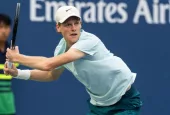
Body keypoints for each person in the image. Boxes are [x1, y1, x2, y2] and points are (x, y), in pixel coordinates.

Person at [4, 6, 142, 115]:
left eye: (76, 23)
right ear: (58, 27)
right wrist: (18, 73)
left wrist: (17, 57)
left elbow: (47, 64)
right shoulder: (61, 49)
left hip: (125, 101)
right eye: (68, 24)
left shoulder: (89, 41)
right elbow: (51, 74)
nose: (74, 28)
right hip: (99, 105)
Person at [0, 14, 18, 115]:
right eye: (0, 27)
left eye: (6, 27)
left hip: (8, 104)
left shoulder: (12, 52)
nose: (3, 31)